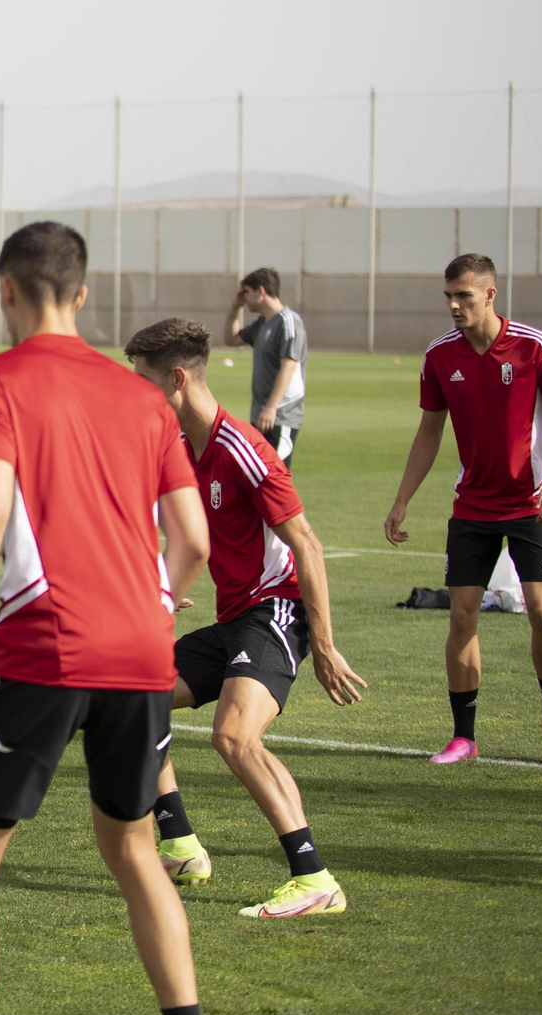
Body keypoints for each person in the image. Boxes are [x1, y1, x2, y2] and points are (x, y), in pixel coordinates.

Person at [0, 222, 213, 1015]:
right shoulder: (147, 399)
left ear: (5, 290)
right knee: (134, 848)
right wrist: (155, 608)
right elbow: (193, 541)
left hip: (43, 650)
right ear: (83, 294)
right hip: (145, 657)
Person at [127, 317, 366, 919]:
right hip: (235, 616)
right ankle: (180, 846)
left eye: (144, 383)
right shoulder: (180, 448)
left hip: (277, 608)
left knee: (233, 736)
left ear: (177, 379)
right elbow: (178, 532)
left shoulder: (244, 449)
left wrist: (327, 646)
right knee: (133, 697)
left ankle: (315, 879)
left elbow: (307, 545)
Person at [384, 253, 542, 766]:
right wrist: (402, 500)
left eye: (463, 295)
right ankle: (463, 736)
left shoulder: (535, 346)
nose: (453, 305)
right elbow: (429, 431)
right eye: (448, 296)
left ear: (489, 295)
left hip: (532, 504)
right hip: (472, 507)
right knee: (462, 616)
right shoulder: (440, 355)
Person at [223, 267, 307, 468]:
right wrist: (235, 308)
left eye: (247, 292)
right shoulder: (262, 323)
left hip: (280, 416)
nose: (245, 298)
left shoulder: (288, 322)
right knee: (259, 478)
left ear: (260, 292)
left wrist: (271, 408)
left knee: (274, 478)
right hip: (261, 416)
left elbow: (289, 366)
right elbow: (231, 338)